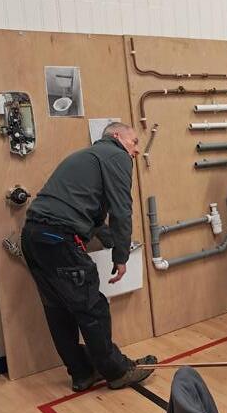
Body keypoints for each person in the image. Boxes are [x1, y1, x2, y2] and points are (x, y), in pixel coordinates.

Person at [21, 122, 157, 392]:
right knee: (92, 307)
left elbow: (91, 218)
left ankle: (82, 373)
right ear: (117, 136)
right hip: (60, 238)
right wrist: (121, 256)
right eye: (134, 142)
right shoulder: (116, 155)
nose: (136, 150)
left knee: (58, 309)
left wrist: (112, 243)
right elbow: (121, 210)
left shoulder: (86, 157)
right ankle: (117, 372)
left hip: (33, 236)